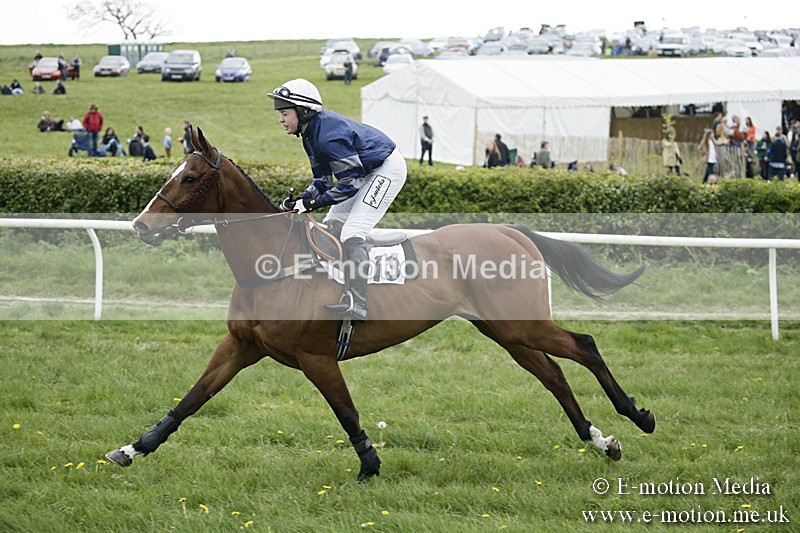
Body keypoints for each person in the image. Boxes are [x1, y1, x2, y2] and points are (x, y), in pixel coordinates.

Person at [268, 78, 407, 322]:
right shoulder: (309, 135)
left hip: (386, 169)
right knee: (332, 225)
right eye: (280, 113)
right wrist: (301, 199)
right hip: (363, 171)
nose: (280, 119)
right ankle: (336, 285)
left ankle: (359, 303)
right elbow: (322, 180)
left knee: (353, 231)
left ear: (304, 111)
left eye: (285, 113)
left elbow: (350, 184)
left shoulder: (327, 137)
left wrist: (310, 205)